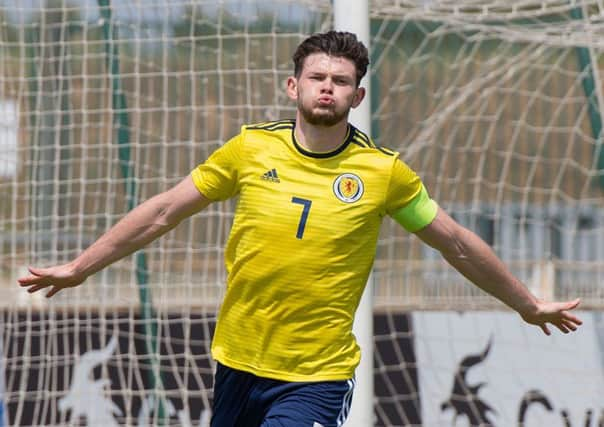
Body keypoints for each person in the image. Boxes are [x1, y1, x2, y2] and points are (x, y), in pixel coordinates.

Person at [18, 31, 582, 427]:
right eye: (317, 77)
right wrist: (79, 267)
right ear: (294, 87)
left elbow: (456, 243)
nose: (328, 87)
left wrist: (527, 304)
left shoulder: (383, 173)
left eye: (341, 80)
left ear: (358, 96)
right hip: (236, 361)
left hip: (315, 375)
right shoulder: (249, 148)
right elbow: (165, 211)